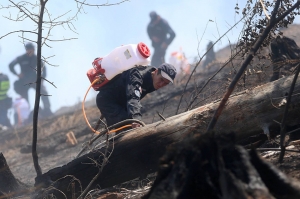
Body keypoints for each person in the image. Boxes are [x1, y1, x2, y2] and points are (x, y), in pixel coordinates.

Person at [96, 63, 177, 127]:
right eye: (161, 79)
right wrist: (136, 119)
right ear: (155, 71)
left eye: (165, 83)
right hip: (106, 100)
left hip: (121, 102)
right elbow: (133, 97)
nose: (161, 84)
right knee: (126, 124)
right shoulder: (137, 75)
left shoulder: (153, 79)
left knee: (126, 125)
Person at [9, 42, 53, 117]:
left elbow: (44, 68)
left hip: (34, 80)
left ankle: (47, 110)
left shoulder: (36, 58)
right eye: (29, 49)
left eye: (33, 49)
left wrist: (42, 78)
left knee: (43, 91)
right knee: (25, 100)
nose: (31, 51)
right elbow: (11, 65)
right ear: (26, 50)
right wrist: (17, 74)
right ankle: (27, 117)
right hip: (24, 81)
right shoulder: (21, 58)